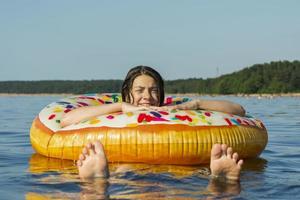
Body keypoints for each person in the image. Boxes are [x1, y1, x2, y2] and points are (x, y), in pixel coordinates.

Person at [61, 66, 245, 181]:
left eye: (154, 91)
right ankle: (98, 180)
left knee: (194, 174)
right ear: (127, 93)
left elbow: (238, 110)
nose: (147, 97)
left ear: (161, 94)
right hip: (130, 168)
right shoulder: (117, 110)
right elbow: (66, 120)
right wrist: (120, 106)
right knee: (123, 171)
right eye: (140, 90)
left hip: (174, 170)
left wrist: (195, 104)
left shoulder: (173, 109)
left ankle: (221, 181)